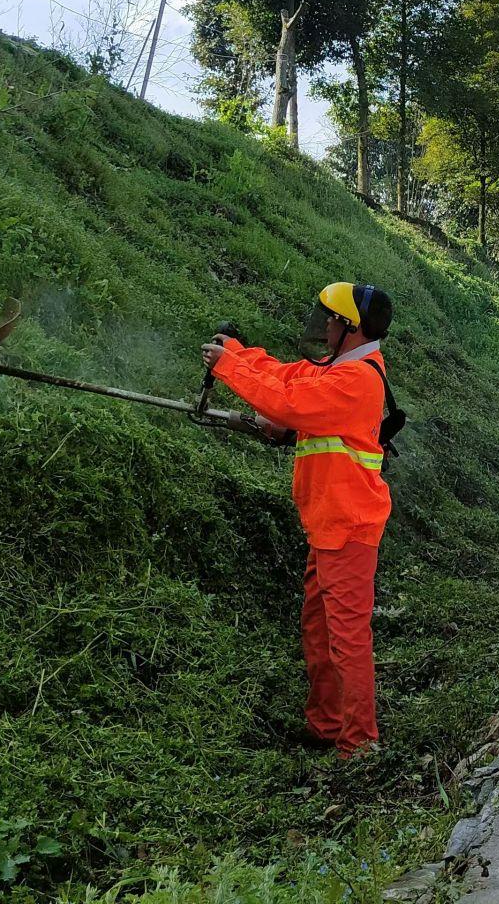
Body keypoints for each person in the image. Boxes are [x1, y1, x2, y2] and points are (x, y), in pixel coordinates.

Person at [202, 282, 395, 758]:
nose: (324, 325)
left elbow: (287, 404)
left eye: (332, 319)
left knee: (346, 639)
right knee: (319, 630)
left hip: (348, 529)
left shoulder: (356, 381)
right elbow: (287, 379)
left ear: (350, 329)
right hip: (328, 526)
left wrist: (228, 369)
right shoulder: (337, 371)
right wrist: (239, 353)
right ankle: (326, 726)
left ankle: (359, 744)